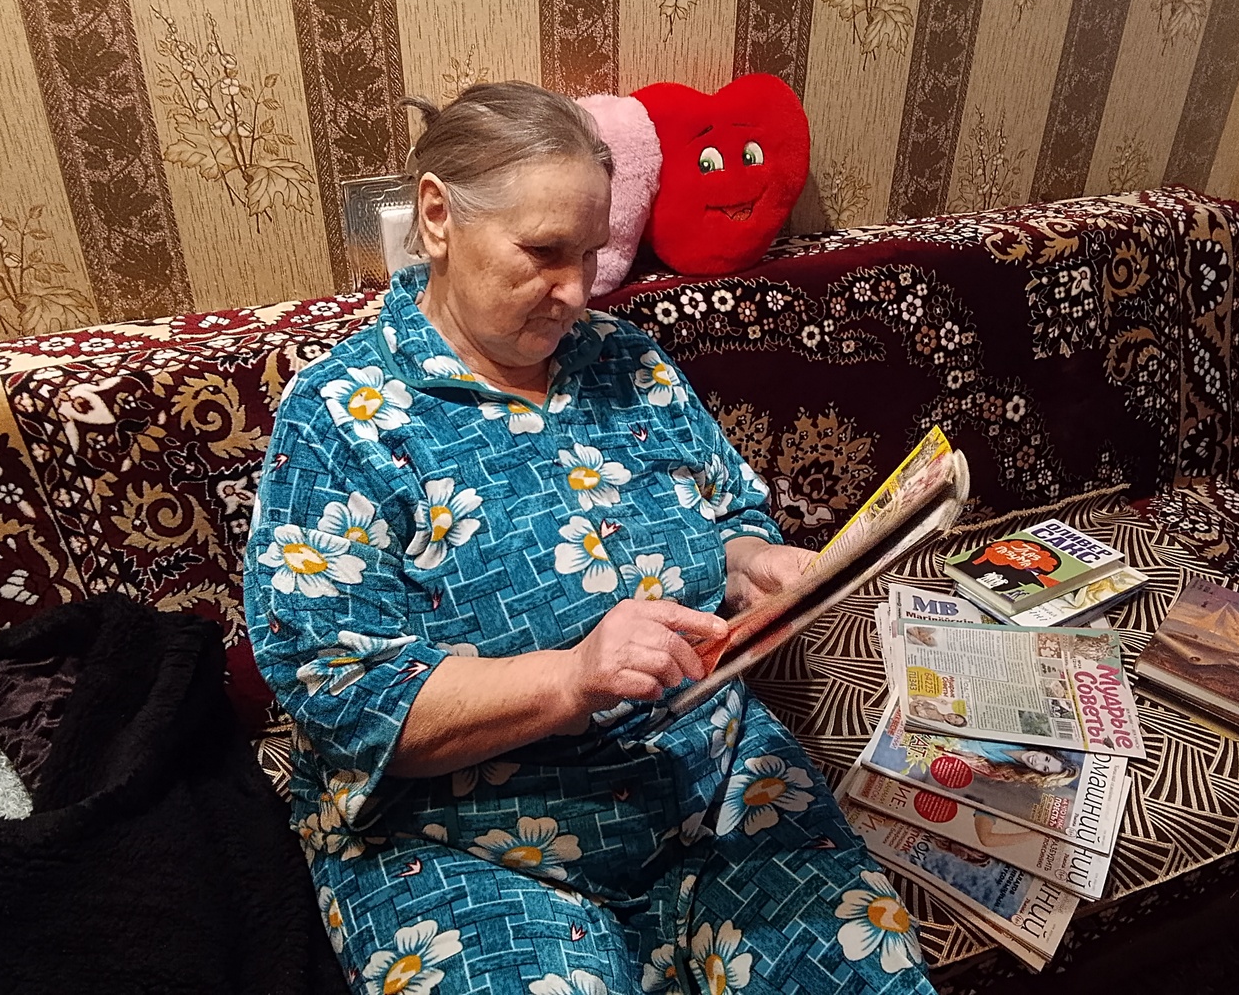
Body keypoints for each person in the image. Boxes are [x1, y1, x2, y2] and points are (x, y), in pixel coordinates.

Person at [244, 81, 935, 995]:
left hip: (713, 783)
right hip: (471, 843)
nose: (577, 291)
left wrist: (752, 562)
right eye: (542, 253)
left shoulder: (627, 361)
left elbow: (727, 514)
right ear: (438, 218)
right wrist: (571, 678)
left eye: (592, 252)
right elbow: (342, 693)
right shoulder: (342, 417)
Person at [943, 740, 1080, 788]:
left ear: (1039, 773)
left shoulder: (1005, 772)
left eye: (1044, 768)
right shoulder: (1017, 739)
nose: (1037, 761)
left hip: (946, 746)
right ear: (1046, 752)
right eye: (1046, 759)